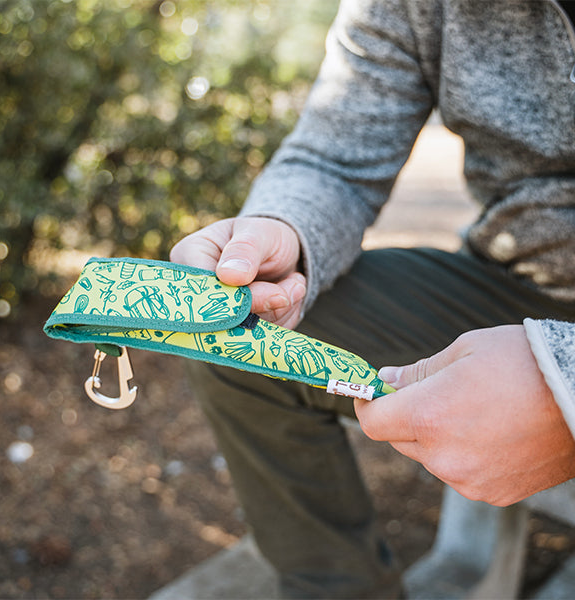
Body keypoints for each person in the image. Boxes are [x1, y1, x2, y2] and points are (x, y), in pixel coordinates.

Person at [170, 1, 575, 597]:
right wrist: (282, 230)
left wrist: (561, 377)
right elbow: (334, 156)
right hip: (517, 283)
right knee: (236, 343)